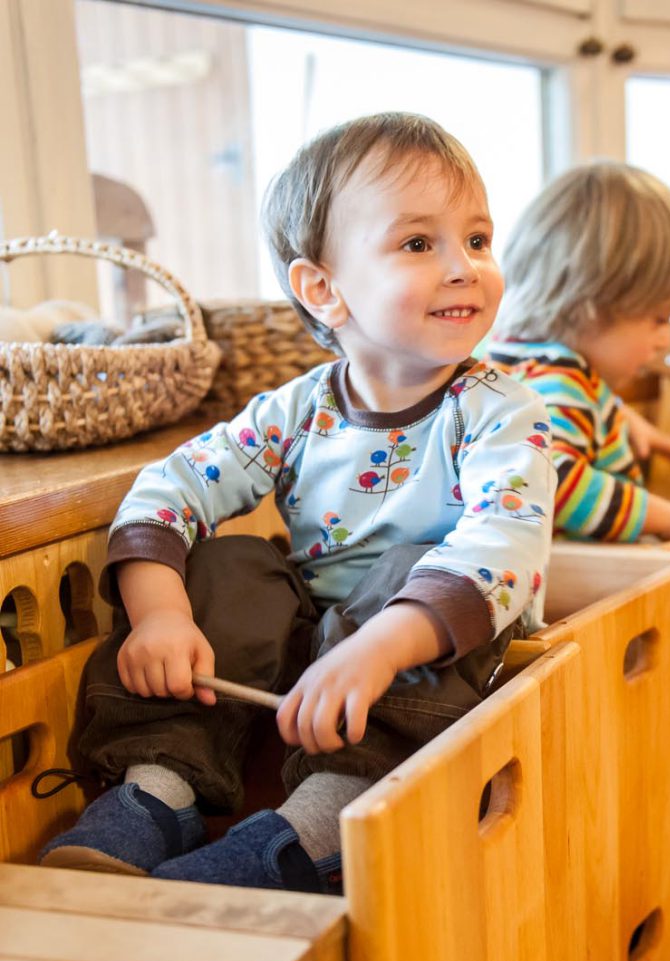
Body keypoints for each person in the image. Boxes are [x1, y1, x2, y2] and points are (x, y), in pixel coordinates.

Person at [40, 112, 554, 895]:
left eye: (478, 240)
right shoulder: (294, 410)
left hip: (436, 661)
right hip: (319, 646)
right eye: (421, 244)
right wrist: (161, 616)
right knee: (230, 562)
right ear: (323, 289)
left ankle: (325, 822)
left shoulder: (501, 410)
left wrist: (382, 644)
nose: (465, 267)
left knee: (418, 563)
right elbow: (169, 490)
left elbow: (500, 543)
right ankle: (158, 791)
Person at [487, 161, 670, 561]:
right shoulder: (564, 378)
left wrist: (615, 413)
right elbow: (549, 480)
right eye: (659, 319)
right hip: (586, 580)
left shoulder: (502, 353)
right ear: (595, 305)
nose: (664, 340)